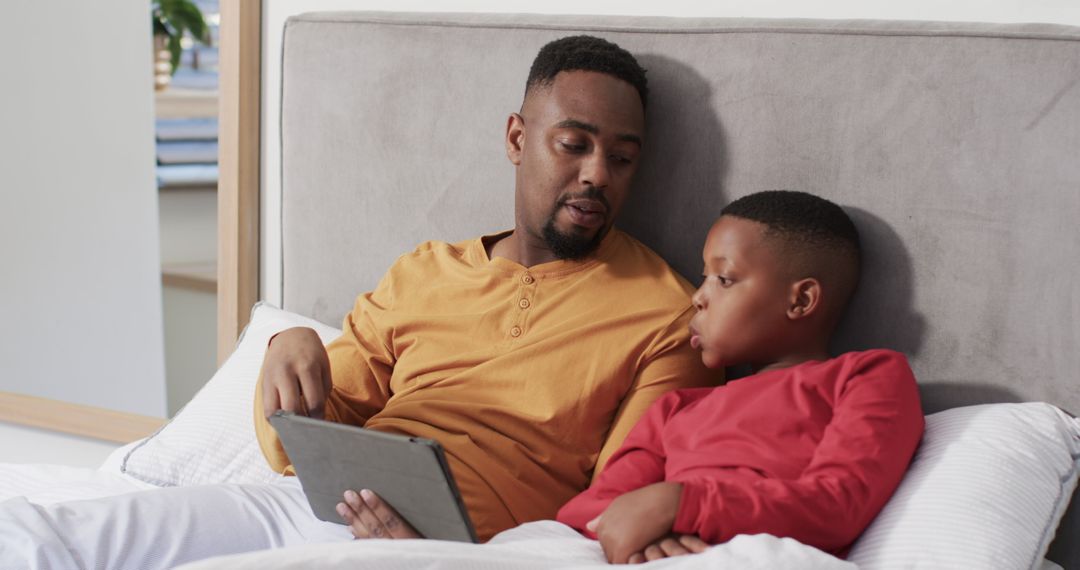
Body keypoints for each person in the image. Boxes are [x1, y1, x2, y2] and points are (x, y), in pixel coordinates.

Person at [0, 35, 716, 569]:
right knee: (46, 537)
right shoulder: (425, 273)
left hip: (444, 549)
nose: (597, 175)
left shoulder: (664, 314)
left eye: (621, 159)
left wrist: (450, 550)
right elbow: (305, 437)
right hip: (315, 503)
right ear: (517, 138)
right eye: (573, 145)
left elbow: (614, 500)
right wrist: (290, 353)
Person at [556, 190, 925, 564]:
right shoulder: (676, 408)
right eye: (704, 278)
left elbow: (837, 504)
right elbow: (591, 511)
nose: (698, 298)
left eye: (725, 279)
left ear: (801, 300)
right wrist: (652, 530)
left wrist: (680, 505)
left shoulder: (866, 376)